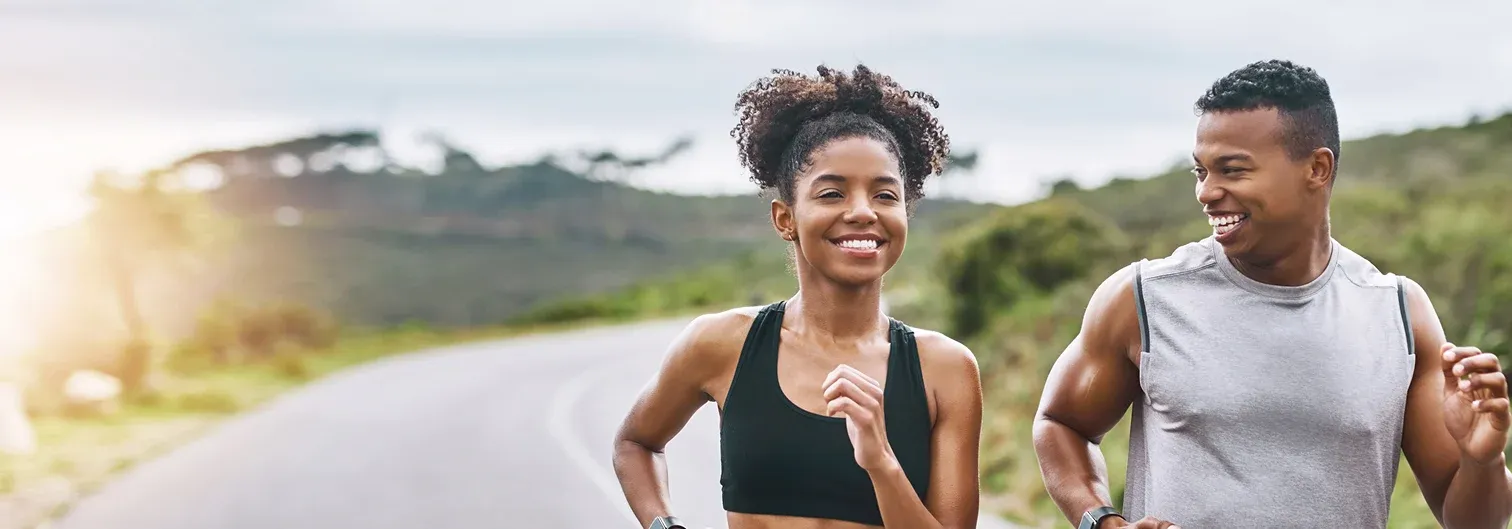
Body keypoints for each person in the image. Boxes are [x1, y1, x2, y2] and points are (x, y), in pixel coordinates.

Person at [1032, 59, 1512, 529]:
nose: (1206, 192)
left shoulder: (1398, 315)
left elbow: (1471, 521)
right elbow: (1060, 423)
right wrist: (1101, 521)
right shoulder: (1143, 299)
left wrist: (1483, 462)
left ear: (1317, 169)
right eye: (1200, 171)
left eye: (1233, 170)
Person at [611, 64, 984, 529]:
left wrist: (880, 462)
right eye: (831, 194)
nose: (863, 212)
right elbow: (636, 444)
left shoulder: (944, 369)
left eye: (886, 196)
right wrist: (664, 525)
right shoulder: (722, 343)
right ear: (785, 218)